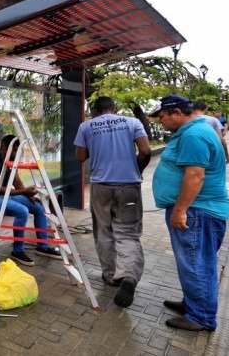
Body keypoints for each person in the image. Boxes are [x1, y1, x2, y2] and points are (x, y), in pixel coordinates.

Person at [150, 94, 229, 332]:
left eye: (163, 116)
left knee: (196, 264)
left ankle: (202, 316)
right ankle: (193, 303)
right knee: (193, 263)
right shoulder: (195, 131)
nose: (160, 121)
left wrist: (181, 210)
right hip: (199, 212)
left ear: (177, 113)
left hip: (197, 213)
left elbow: (195, 175)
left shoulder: (194, 135)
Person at [74, 97, 151, 308]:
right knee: (128, 233)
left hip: (101, 186)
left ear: (95, 111)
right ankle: (128, 276)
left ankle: (110, 275)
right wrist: (137, 170)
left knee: (103, 231)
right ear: (115, 109)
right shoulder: (133, 123)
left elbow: (80, 156)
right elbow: (145, 151)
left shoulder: (86, 126)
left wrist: (94, 144)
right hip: (129, 186)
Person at [0, 134, 61, 266]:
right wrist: (25, 192)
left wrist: (29, 196)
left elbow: (17, 182)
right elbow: (0, 189)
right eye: (16, 150)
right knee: (22, 211)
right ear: (4, 148)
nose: (18, 154)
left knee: (38, 208)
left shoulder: (11, 162)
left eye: (19, 151)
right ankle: (17, 251)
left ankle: (43, 246)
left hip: (6, 196)